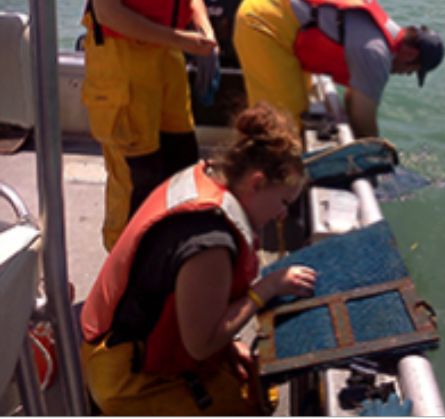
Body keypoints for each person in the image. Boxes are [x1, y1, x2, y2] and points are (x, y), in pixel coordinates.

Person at [80, 102, 317, 415]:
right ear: (256, 182)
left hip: (130, 347)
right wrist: (267, 289)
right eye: (283, 201)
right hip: (129, 380)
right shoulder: (210, 246)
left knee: (250, 383)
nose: (282, 214)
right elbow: (200, 345)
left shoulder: (204, 179)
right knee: (251, 405)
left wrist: (229, 346)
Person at [81, 0, 221, 251]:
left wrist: (204, 27)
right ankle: (121, 278)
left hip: (165, 58)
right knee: (136, 177)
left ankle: (168, 257)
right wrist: (181, 39)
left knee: (179, 161)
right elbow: (108, 11)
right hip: (122, 65)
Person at [233, 0, 445, 138]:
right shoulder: (377, 54)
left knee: (302, 105)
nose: (405, 74)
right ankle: (253, 178)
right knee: (281, 125)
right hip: (266, 20)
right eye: (412, 71)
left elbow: (353, 99)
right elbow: (363, 118)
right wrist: (377, 156)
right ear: (410, 54)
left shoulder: (380, 33)